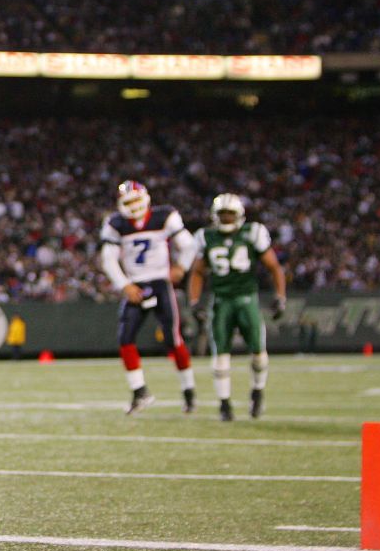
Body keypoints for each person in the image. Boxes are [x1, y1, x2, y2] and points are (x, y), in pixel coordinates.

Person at [98, 180, 198, 415]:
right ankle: (140, 392)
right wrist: (125, 285)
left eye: (135, 200)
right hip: (136, 285)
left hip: (160, 282)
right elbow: (108, 259)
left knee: (173, 340)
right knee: (125, 338)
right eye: (128, 201)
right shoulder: (116, 224)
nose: (133, 205)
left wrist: (181, 268)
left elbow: (189, 245)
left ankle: (189, 391)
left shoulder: (164, 216)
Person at [188, 193, 287, 422]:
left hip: (246, 298)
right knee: (220, 354)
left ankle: (257, 392)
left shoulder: (252, 233)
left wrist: (280, 295)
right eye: (222, 214)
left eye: (229, 214)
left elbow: (274, 267)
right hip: (221, 300)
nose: (225, 218)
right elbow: (198, 272)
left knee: (259, 352)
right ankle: (224, 404)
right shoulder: (206, 237)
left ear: (239, 215)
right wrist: (194, 302)